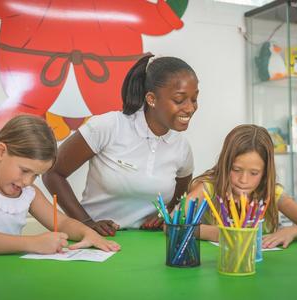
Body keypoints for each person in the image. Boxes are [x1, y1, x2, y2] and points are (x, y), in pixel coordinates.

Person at [43, 54, 199, 236]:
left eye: (194, 99)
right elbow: (52, 173)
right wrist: (86, 223)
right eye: (179, 100)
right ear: (151, 99)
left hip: (147, 245)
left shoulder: (182, 147)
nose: (190, 108)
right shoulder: (108, 126)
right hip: (95, 243)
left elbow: (179, 198)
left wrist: (165, 215)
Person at [0, 115, 120, 266]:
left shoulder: (28, 193)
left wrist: (87, 232)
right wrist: (33, 243)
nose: (27, 181)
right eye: (25, 170)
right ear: (1, 152)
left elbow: (62, 223)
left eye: (35, 176)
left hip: (6, 276)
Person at [187, 124, 297, 248]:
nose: (243, 180)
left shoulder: (272, 193)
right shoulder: (209, 187)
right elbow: (172, 225)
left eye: (254, 173)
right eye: (236, 170)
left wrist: (291, 231)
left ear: (265, 172)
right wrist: (220, 234)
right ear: (225, 164)